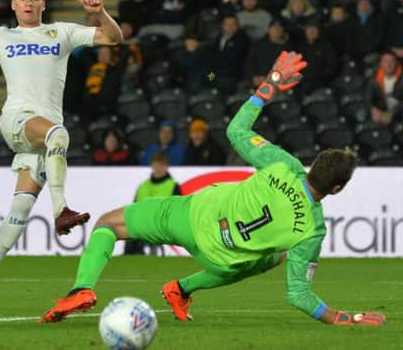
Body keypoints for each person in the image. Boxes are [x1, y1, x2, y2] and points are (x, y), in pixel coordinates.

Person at [39, 51, 387, 327]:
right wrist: (346, 318)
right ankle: (181, 289)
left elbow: (236, 131)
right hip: (223, 259)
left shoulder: (285, 165)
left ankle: (81, 288)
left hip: (191, 217)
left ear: (314, 164)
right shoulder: (313, 230)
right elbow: (299, 295)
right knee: (272, 257)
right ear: (337, 189)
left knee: (109, 223)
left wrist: (269, 85)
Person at [0, 0, 123, 303]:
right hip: (18, 121)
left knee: (21, 206)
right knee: (59, 133)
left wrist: (102, 12)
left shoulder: (61, 32)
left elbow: (114, 37)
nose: (28, 3)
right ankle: (60, 210)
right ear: (13, 4)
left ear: (43, 3)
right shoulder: (1, 37)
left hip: (43, 140)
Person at [125, 151, 180, 255]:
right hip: (142, 223)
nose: (158, 168)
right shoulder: (142, 186)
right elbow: (133, 209)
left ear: (166, 166)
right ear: (152, 165)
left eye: (162, 165)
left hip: (162, 224)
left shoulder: (173, 186)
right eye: (156, 164)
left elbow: (177, 211)